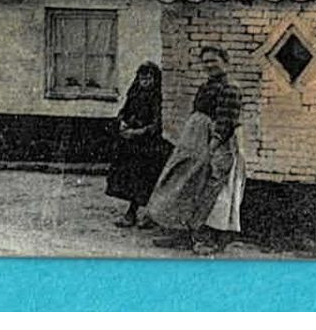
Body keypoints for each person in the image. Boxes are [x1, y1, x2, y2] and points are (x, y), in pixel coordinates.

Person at [146, 46, 247, 255]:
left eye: (213, 61)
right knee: (184, 184)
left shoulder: (230, 88)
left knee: (208, 189)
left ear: (225, 62)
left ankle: (203, 238)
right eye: (206, 62)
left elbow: (225, 122)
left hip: (215, 146)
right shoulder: (206, 87)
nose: (209, 65)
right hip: (194, 142)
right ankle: (181, 232)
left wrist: (211, 147)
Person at [106, 61, 171, 227]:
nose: (145, 80)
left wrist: (137, 132)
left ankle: (150, 216)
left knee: (147, 180)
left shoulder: (157, 97)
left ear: (155, 79)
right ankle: (131, 214)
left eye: (149, 77)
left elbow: (157, 125)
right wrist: (122, 122)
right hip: (131, 145)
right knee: (131, 180)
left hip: (149, 146)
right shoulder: (134, 92)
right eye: (143, 77)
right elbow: (124, 110)